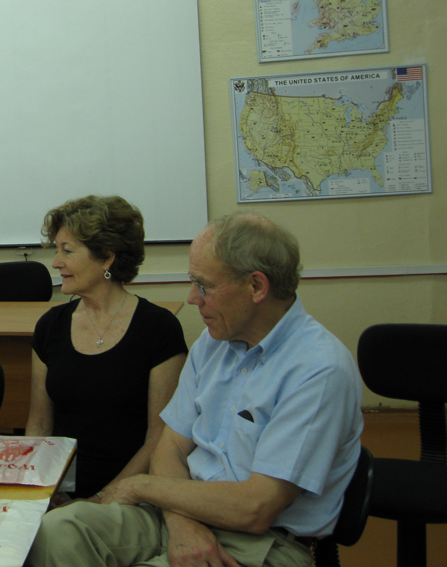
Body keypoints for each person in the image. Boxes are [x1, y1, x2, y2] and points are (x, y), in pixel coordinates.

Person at [27, 212, 364, 567]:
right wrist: (183, 523)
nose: (192, 298)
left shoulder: (318, 370)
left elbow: (255, 508)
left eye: (204, 286)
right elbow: (169, 447)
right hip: (177, 513)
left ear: (256, 287)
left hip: (262, 541)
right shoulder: (214, 342)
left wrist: (141, 486)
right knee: (54, 532)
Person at [25, 195, 187, 503]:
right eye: (56, 250)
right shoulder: (50, 326)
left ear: (106, 258)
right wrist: (41, 491)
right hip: (57, 493)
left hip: (130, 495)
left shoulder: (158, 329)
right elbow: (39, 424)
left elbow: (159, 439)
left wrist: (101, 500)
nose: (56, 262)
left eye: (67, 250)